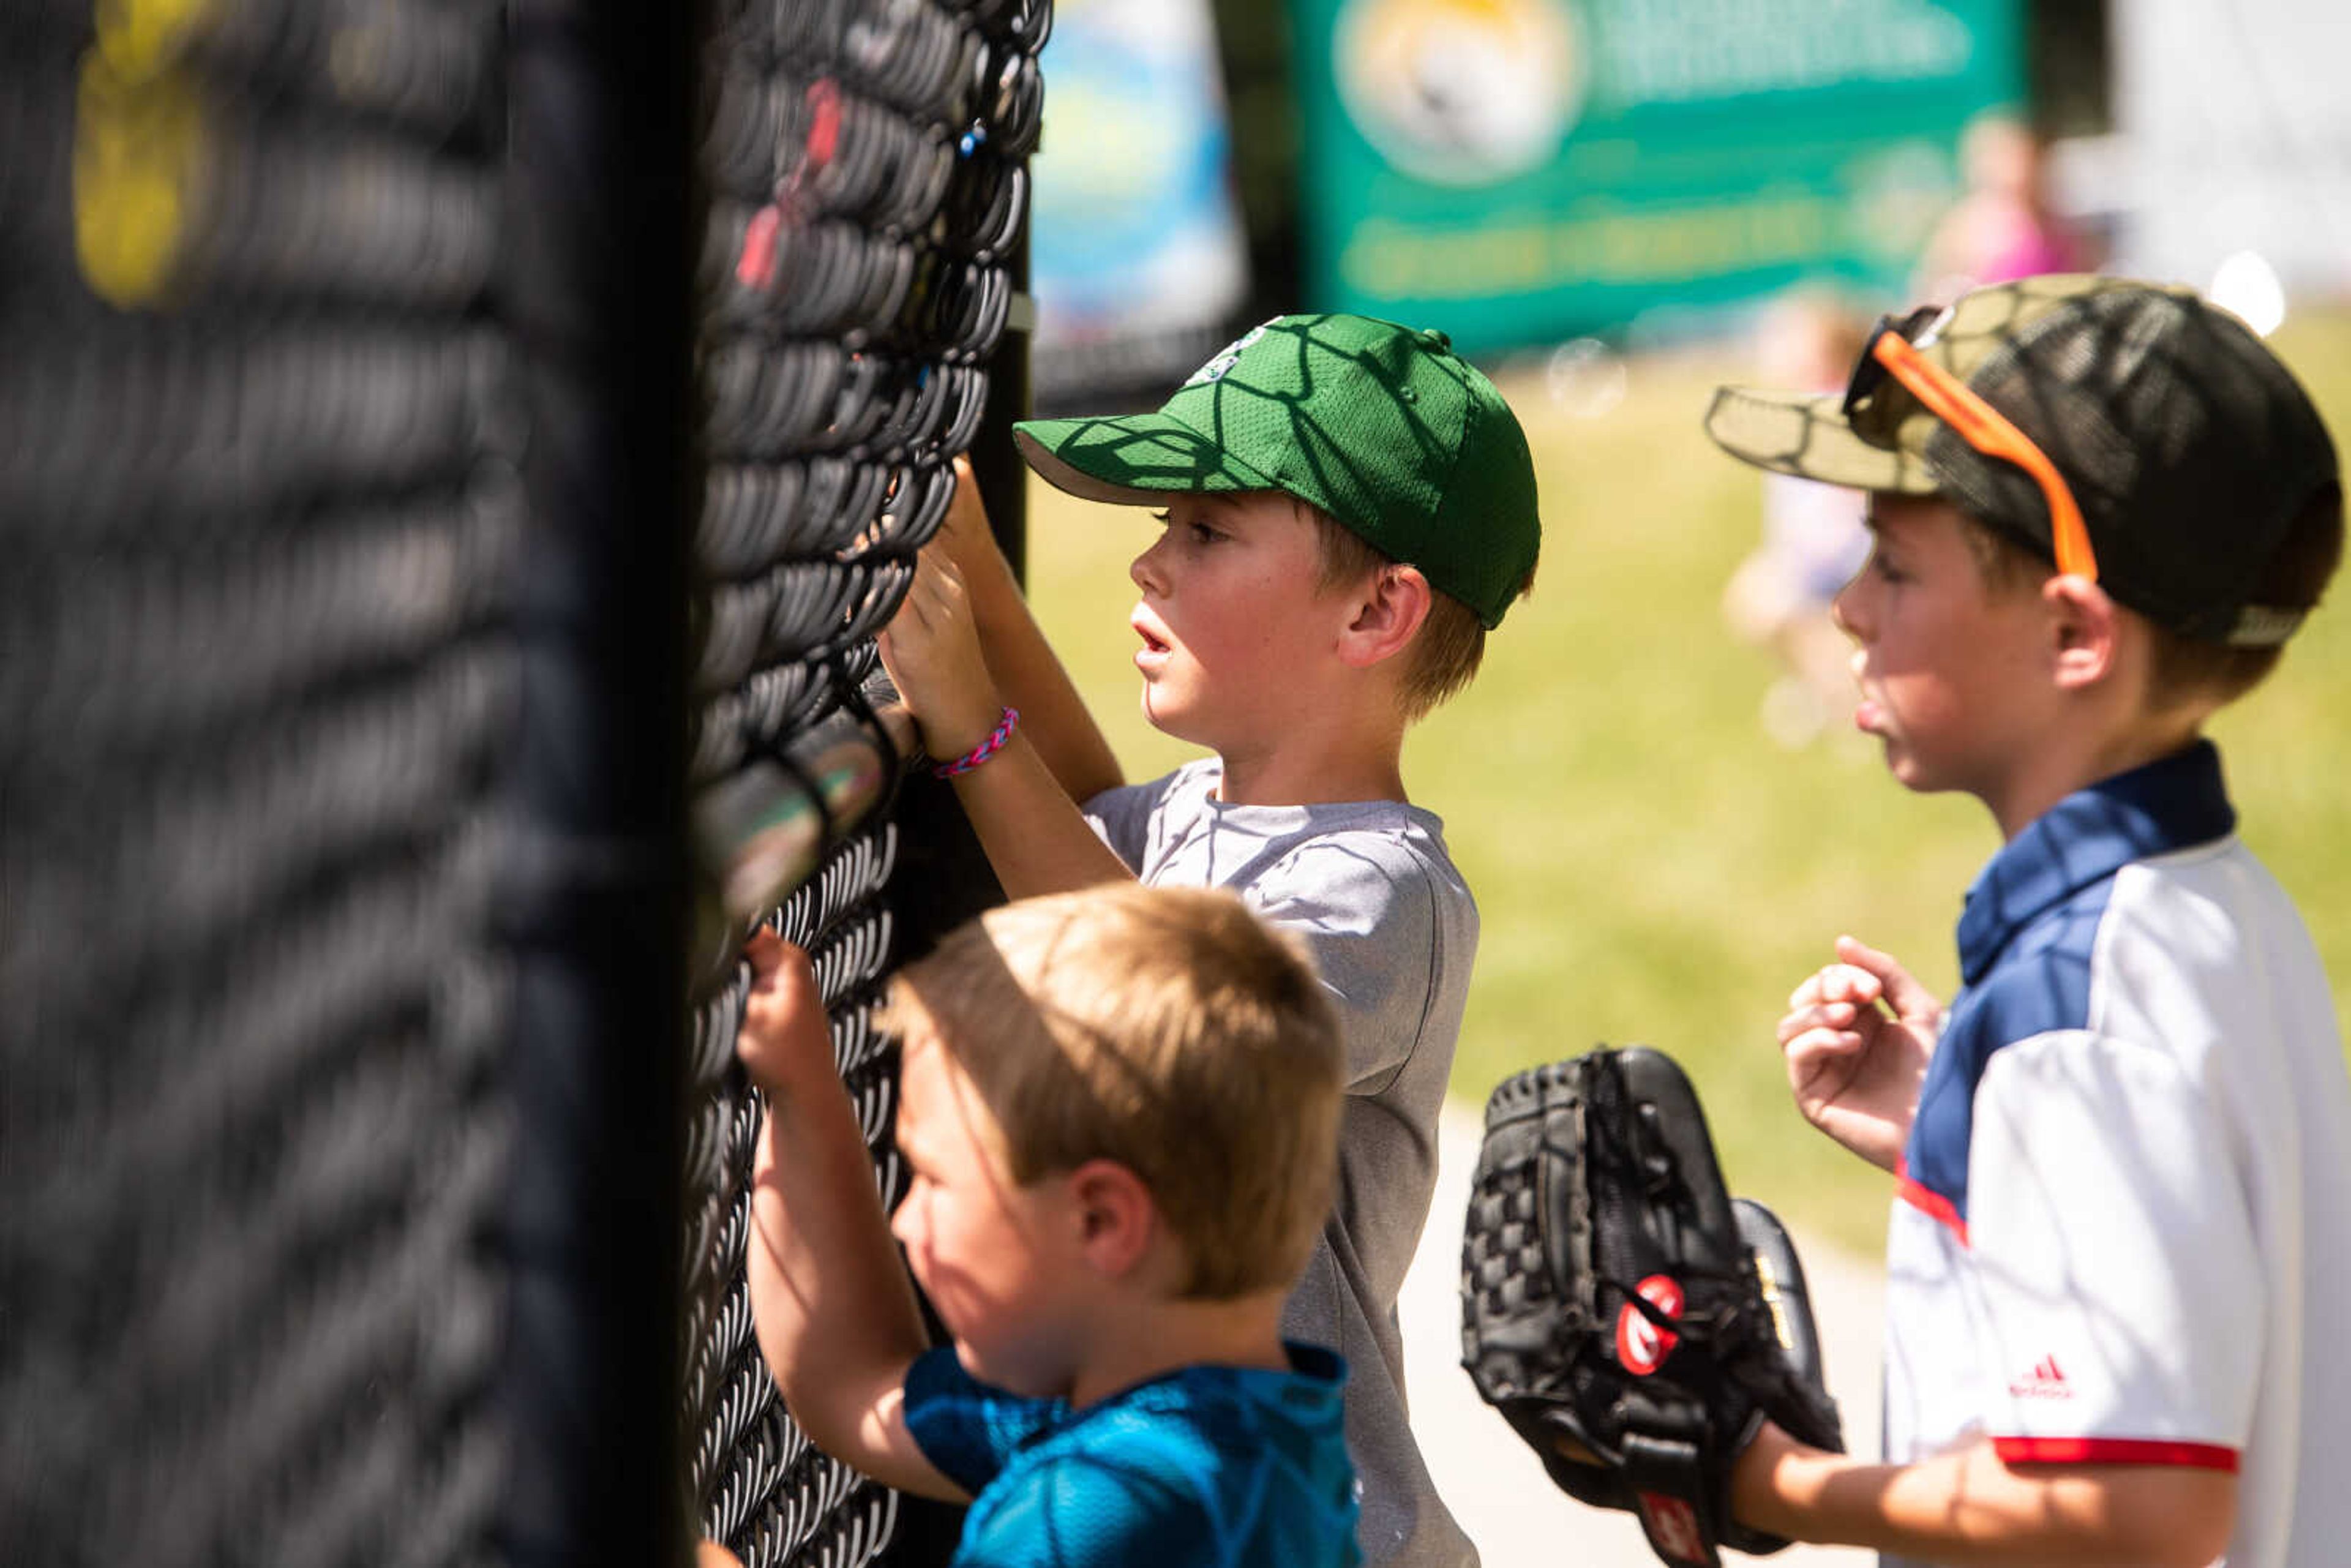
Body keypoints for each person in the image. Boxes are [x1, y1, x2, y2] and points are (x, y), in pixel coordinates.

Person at [1701, 272, 2351, 1567]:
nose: (1847, 609)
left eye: (1894, 564)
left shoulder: (2078, 1006)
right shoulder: (2223, 904)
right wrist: (1971, 1138)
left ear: (2072, 633)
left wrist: (1767, 1477)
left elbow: (2137, 1507)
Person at [879, 313, 1543, 1568]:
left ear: (1376, 610)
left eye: (1207, 532)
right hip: (1180, 1492)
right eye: (1157, 528)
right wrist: (981, 575)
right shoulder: (1203, 805)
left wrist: (971, 718)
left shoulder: (1382, 895)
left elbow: (1155, 996)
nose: (1150, 567)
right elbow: (1073, 821)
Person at [734, 882, 1360, 1567]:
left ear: (1100, 1220)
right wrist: (799, 1083)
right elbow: (856, 1385)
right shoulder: (1254, 1428)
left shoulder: (1110, 1509)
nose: (907, 1220)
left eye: (935, 1181)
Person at [1719, 288, 1874, 745]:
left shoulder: (1834, 410)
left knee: (1774, 609)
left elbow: (1851, 499)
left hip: (1841, 556)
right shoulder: (1803, 412)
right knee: (1757, 604)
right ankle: (1826, 693)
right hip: (1812, 555)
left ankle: (1846, 706)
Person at [1913, 111, 2093, 305]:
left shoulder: (2055, 223)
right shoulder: (1967, 226)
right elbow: (1929, 294)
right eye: (2005, 158)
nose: (2017, 168)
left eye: (2023, 157)